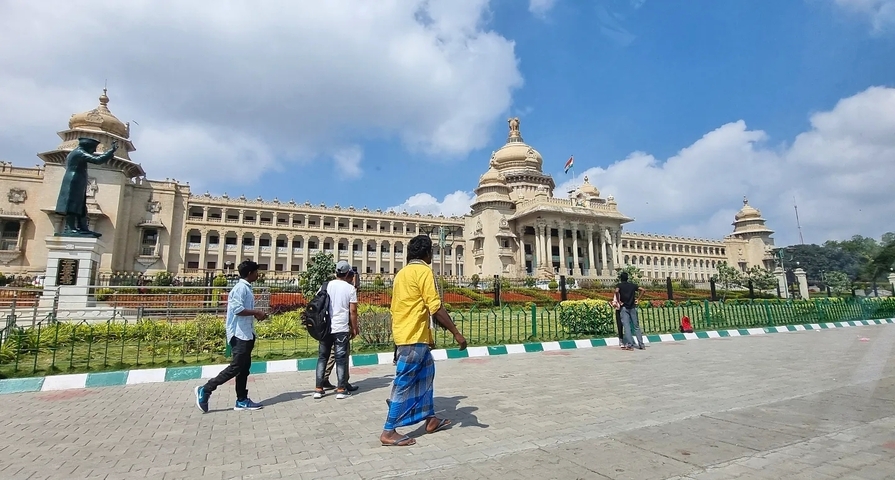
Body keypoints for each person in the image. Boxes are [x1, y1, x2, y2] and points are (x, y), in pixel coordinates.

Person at [380, 235, 467, 447]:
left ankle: (431, 419)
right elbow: (435, 307)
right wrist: (456, 332)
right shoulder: (424, 271)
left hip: (407, 334)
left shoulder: (401, 274)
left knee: (427, 374)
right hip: (413, 337)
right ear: (428, 254)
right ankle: (389, 431)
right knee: (404, 382)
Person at [195, 260, 268, 412]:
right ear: (249, 273)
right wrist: (256, 312)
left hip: (247, 333)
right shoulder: (240, 288)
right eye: (256, 272)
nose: (258, 274)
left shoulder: (247, 288)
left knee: (244, 368)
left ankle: (241, 400)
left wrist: (257, 315)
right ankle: (206, 389)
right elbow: (237, 310)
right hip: (239, 334)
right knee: (236, 367)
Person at [314, 261, 359, 400]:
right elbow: (353, 311)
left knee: (322, 358)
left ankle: (318, 389)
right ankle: (341, 389)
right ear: (347, 273)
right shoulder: (350, 289)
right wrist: (354, 328)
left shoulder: (326, 285)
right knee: (341, 359)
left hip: (325, 328)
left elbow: (317, 303)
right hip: (341, 328)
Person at [54, 137, 118, 237]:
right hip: (73, 180)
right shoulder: (79, 152)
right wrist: (111, 151)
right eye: (93, 148)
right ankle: (70, 228)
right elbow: (97, 160)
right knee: (72, 204)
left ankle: (82, 227)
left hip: (79, 180)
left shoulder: (77, 152)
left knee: (81, 205)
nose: (94, 151)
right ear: (87, 146)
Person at [615, 272, 645, 351]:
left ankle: (630, 345)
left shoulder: (619, 285)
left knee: (627, 326)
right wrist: (638, 299)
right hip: (632, 307)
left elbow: (616, 291)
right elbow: (643, 290)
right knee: (636, 326)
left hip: (624, 307)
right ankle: (641, 344)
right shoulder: (632, 285)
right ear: (627, 278)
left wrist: (619, 301)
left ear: (621, 278)